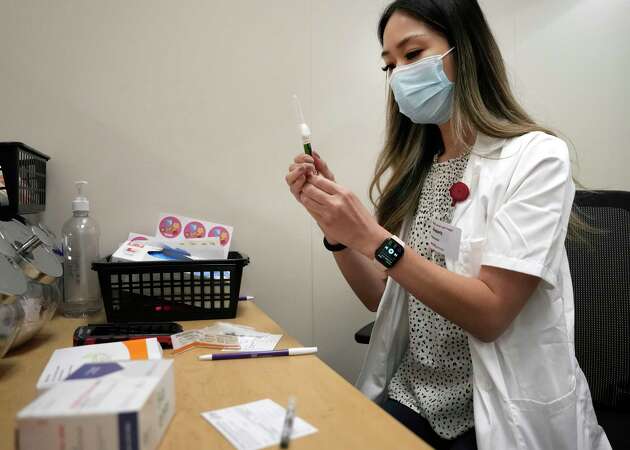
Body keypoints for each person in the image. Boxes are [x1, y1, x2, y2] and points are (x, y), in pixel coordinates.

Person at [285, 0, 611, 449]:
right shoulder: (422, 169)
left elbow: (490, 313)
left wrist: (373, 238)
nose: (399, 75)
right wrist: (336, 233)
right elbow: (381, 296)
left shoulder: (536, 157)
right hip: (413, 394)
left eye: (413, 54)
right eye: (389, 65)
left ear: (466, 50)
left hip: (490, 412)